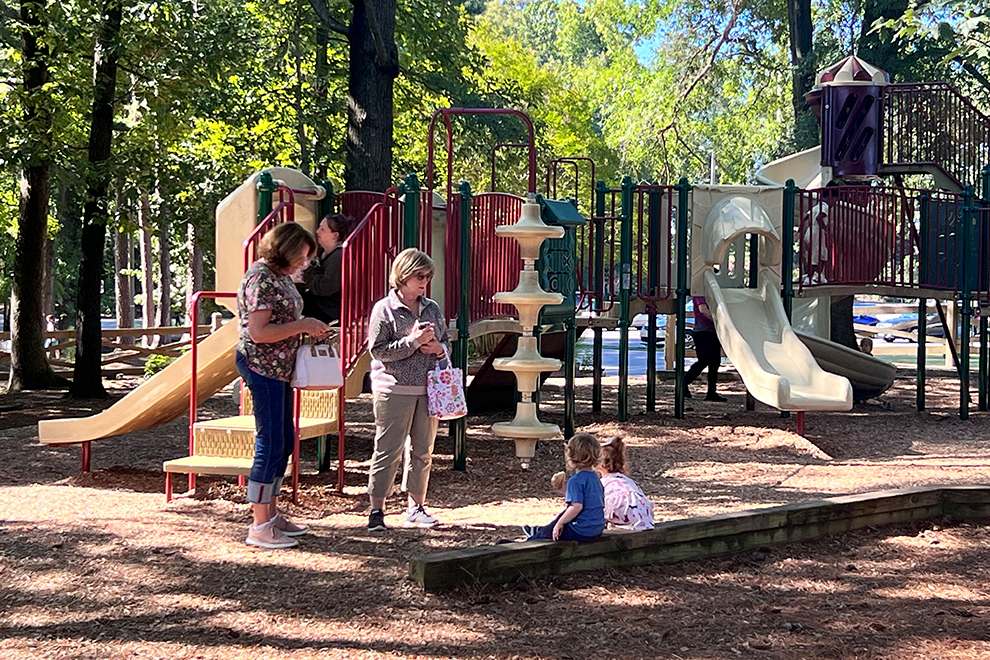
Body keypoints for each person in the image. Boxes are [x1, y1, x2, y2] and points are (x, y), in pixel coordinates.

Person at [236, 222, 330, 550]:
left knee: (285, 440)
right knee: (271, 441)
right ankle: (260, 524)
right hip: (263, 368)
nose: (305, 263)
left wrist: (305, 328)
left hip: (279, 370)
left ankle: (272, 515)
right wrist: (301, 325)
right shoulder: (261, 278)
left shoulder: (279, 277)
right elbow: (259, 333)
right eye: (302, 257)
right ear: (286, 250)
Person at [366, 248, 448, 531]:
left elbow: (445, 344)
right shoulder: (384, 309)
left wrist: (438, 348)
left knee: (423, 451)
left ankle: (417, 506)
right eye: (419, 276)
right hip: (393, 389)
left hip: (429, 390)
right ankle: (377, 510)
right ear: (402, 276)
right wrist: (411, 342)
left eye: (427, 276)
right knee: (388, 449)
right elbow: (377, 351)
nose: (424, 281)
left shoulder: (432, 308)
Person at [522, 433, 605, 543]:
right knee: (563, 516)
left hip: (581, 531)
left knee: (557, 526)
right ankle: (540, 531)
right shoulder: (596, 477)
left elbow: (576, 507)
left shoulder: (575, 481)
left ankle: (534, 539)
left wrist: (560, 523)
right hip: (597, 529)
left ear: (570, 455)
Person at [300, 214, 351, 323]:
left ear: (335, 235)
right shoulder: (324, 252)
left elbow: (325, 287)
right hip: (322, 302)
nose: (317, 231)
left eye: (322, 229)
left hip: (329, 309)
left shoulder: (338, 257)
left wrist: (308, 273)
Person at [598, 436, 654, 531]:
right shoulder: (627, 482)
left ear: (599, 464)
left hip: (628, 529)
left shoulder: (604, 484)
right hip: (645, 524)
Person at [684, 296, 726, 402]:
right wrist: (718, 320)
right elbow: (703, 310)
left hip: (711, 331)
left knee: (714, 363)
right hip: (703, 332)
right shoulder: (699, 294)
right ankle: (683, 383)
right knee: (704, 361)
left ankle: (711, 392)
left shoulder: (709, 293)